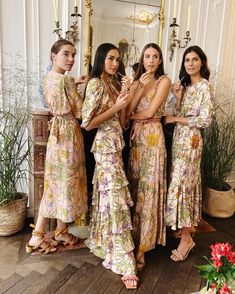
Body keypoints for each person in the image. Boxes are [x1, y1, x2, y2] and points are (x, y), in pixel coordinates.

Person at [81, 43, 138, 289]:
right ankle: (125, 261)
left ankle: (106, 243)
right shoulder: (94, 84)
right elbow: (87, 123)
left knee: (110, 197)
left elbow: (122, 121)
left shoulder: (113, 84)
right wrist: (115, 107)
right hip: (104, 147)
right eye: (111, 58)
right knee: (115, 198)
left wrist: (125, 96)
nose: (115, 63)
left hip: (117, 144)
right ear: (101, 59)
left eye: (118, 59)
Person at [26, 39, 88, 253]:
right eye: (66, 54)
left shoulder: (47, 79)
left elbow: (56, 99)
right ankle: (44, 234)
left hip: (56, 135)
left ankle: (56, 231)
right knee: (66, 185)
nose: (71, 59)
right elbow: (80, 112)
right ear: (54, 55)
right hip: (69, 134)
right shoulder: (66, 80)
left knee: (55, 184)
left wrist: (75, 85)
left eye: (73, 54)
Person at [164, 45, 214, 261]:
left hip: (192, 144)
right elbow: (176, 113)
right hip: (179, 142)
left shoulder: (205, 87)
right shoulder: (186, 87)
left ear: (202, 62)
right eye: (187, 60)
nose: (190, 63)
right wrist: (177, 97)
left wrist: (175, 119)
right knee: (179, 186)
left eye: (194, 59)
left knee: (184, 187)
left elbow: (205, 120)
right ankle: (186, 230)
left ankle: (186, 238)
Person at [126, 43, 171, 271]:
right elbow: (126, 112)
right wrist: (137, 89)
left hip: (153, 139)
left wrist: (135, 118)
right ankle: (131, 241)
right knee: (135, 188)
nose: (151, 61)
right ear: (142, 60)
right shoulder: (137, 81)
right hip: (136, 142)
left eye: (155, 56)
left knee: (149, 192)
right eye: (147, 57)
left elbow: (151, 112)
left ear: (160, 60)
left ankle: (143, 247)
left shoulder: (164, 81)